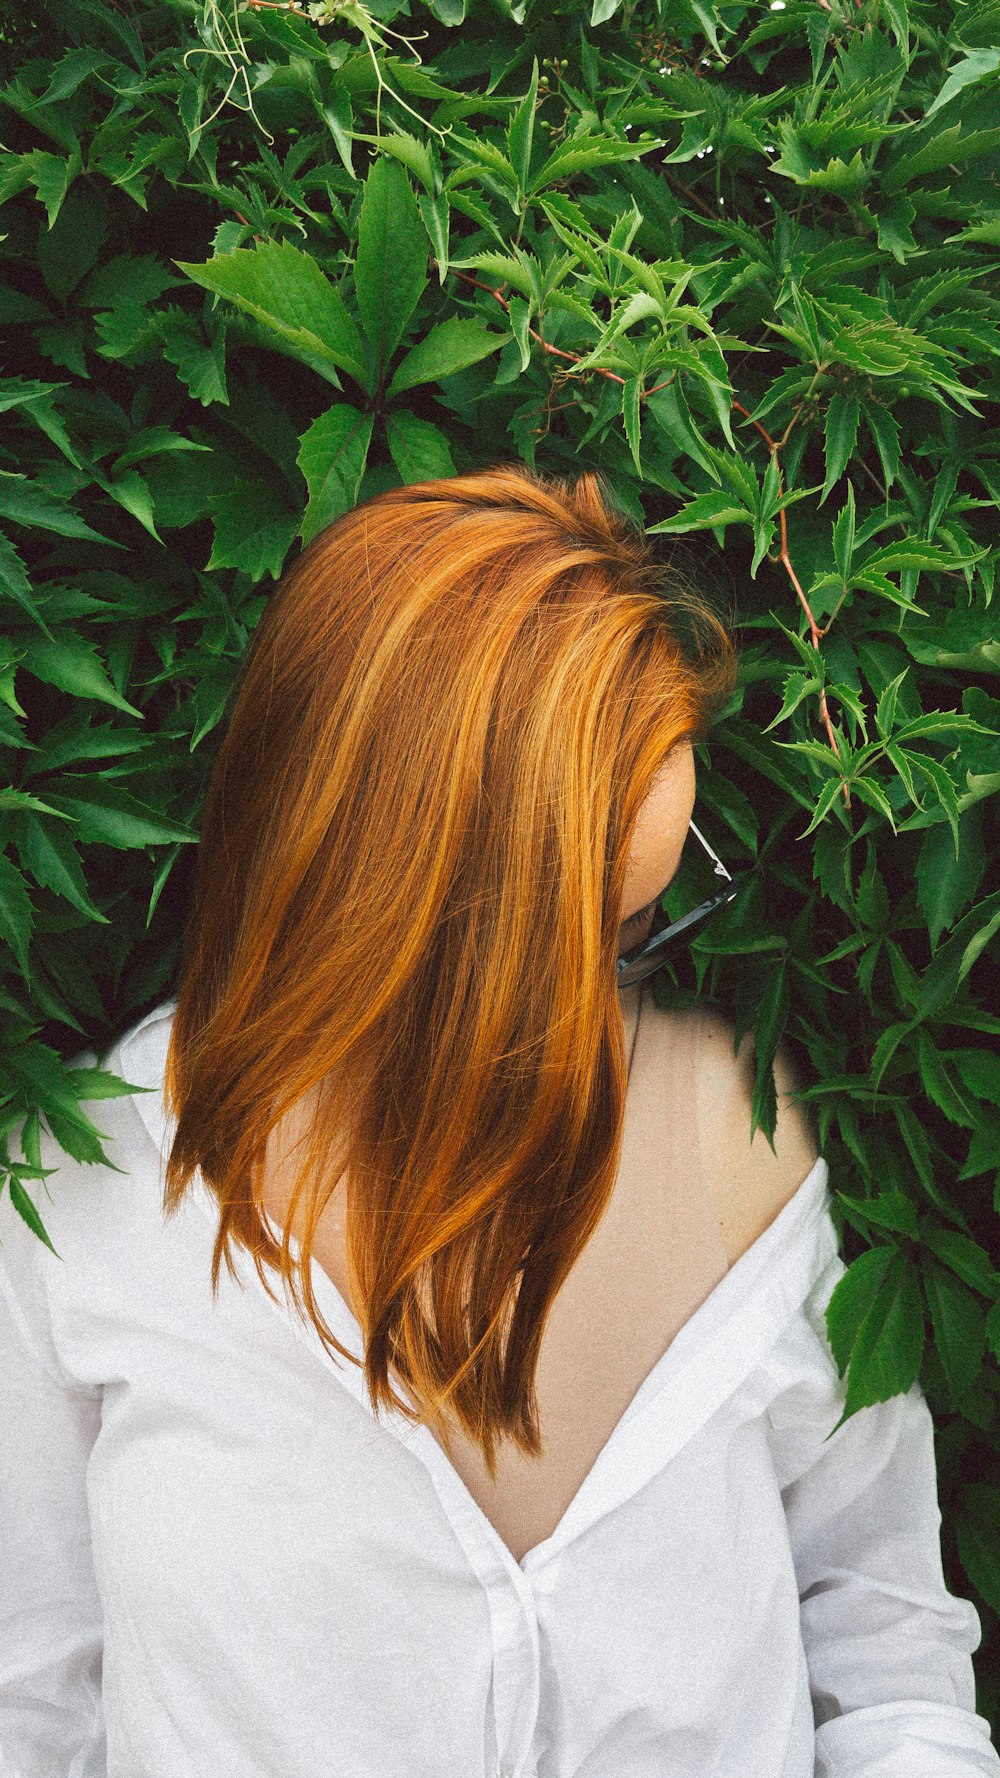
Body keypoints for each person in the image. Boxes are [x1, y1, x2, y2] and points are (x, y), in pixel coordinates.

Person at [0, 463, 996, 1778]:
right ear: (380, 894)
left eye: (642, 921)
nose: (603, 1005)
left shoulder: (751, 1142)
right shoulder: (87, 1198)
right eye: (563, 938)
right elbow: (29, 1710)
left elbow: (887, 1658)